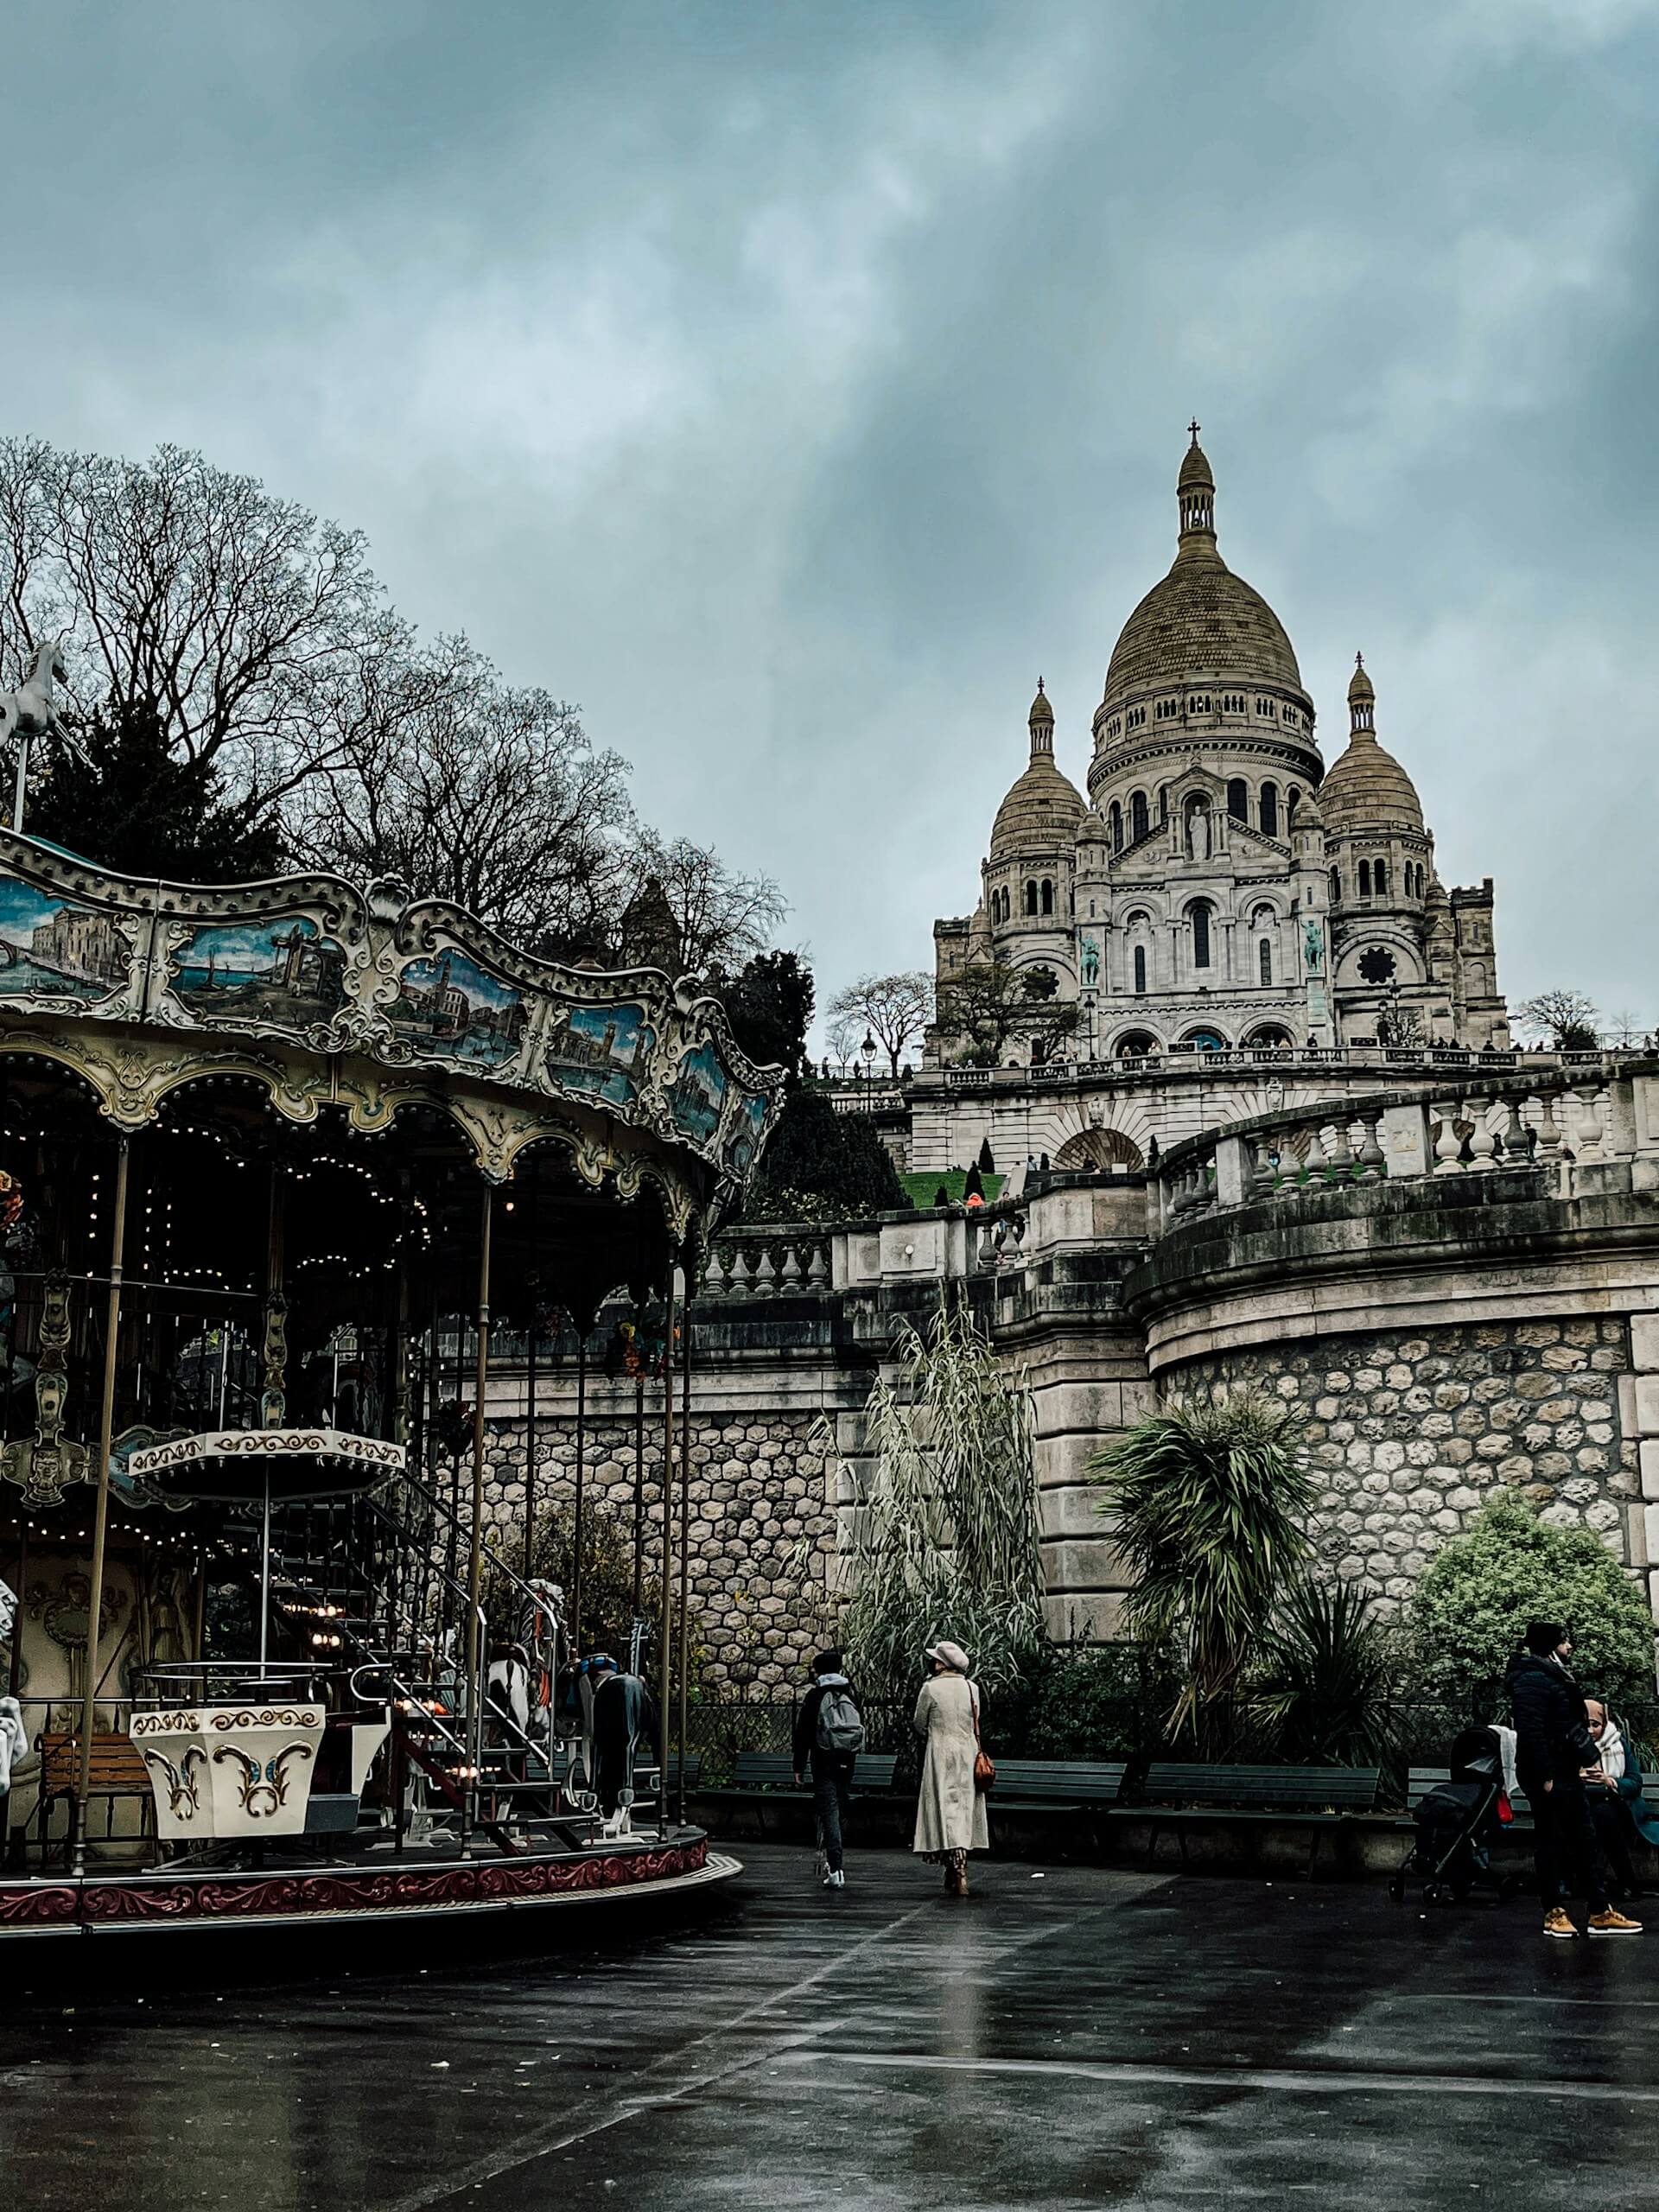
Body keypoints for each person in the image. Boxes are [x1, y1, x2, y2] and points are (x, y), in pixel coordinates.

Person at [1505, 1621, 1641, 1939]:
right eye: (1565, 1642)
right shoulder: (1532, 1679)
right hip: (1549, 1774)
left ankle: (1598, 1911)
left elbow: (1562, 1723)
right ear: (1552, 1647)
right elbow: (1531, 1731)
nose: (1569, 1648)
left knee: (1584, 1838)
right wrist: (1545, 1776)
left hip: (1564, 1769)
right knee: (1551, 1840)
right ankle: (1554, 1911)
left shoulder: (1550, 1676)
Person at [912, 1639, 988, 1897]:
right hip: (968, 1753)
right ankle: (960, 1866)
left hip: (940, 1754)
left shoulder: (930, 1689)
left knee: (944, 1810)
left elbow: (919, 1723)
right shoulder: (971, 1688)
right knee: (963, 1810)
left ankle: (955, 1868)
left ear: (942, 1664)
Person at [793, 1649, 865, 1891]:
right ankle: (832, 1862)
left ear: (819, 1671)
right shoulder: (851, 1693)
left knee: (830, 1812)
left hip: (823, 1762)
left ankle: (835, 1869)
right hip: (847, 1762)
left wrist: (799, 1767)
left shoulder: (815, 1696)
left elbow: (802, 1734)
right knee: (837, 1808)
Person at [1582, 1697, 1659, 1901]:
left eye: (1595, 1724)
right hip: (1583, 1811)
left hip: (1622, 1810)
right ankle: (1627, 1883)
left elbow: (1635, 1783)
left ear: (1604, 1723)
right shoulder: (1571, 1747)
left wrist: (1609, 1781)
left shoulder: (1618, 1745)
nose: (1590, 1731)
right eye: (1584, 1725)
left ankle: (1595, 1885)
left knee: (1604, 1813)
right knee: (1600, 1816)